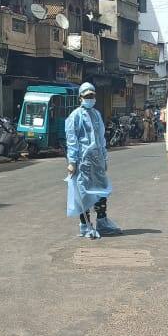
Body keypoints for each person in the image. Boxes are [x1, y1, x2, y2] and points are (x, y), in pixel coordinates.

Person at [66, 82, 120, 238]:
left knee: (101, 191)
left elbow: (101, 138)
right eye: (87, 96)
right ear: (80, 98)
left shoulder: (97, 114)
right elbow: (72, 140)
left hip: (97, 161)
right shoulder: (75, 116)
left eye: (92, 96)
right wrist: (72, 161)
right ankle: (86, 225)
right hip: (83, 161)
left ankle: (102, 222)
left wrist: (104, 158)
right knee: (83, 194)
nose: (90, 98)